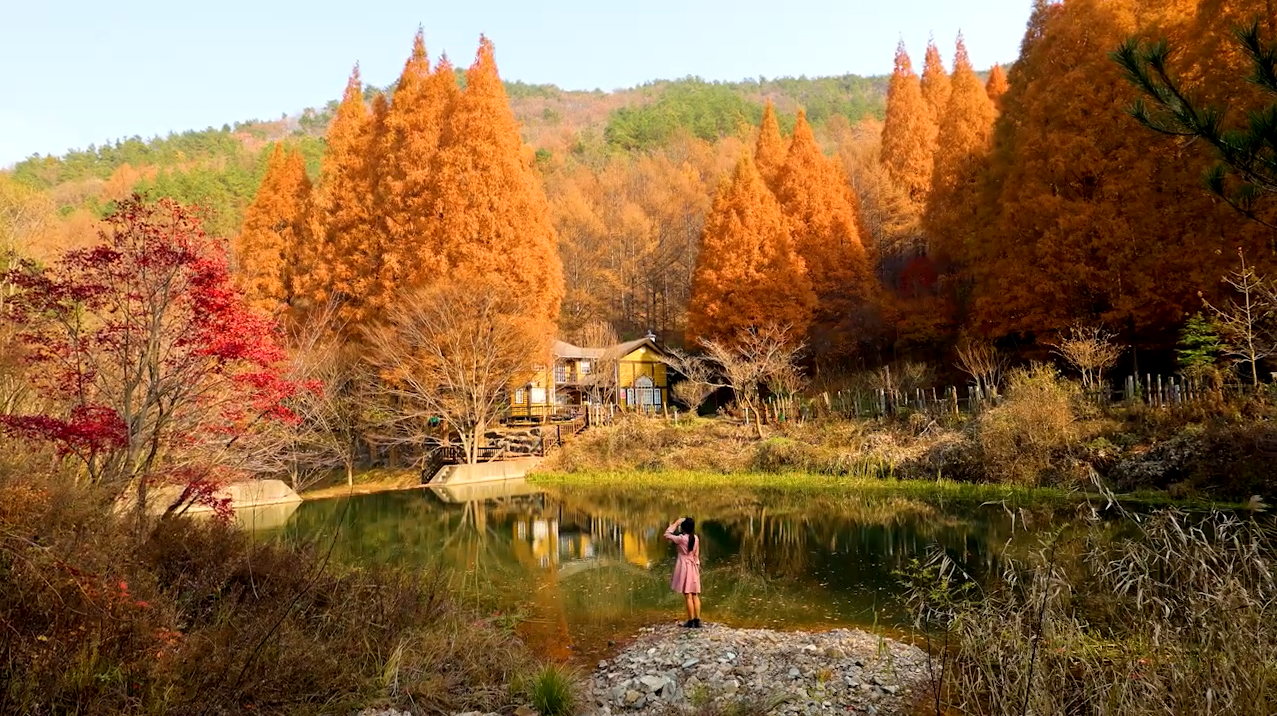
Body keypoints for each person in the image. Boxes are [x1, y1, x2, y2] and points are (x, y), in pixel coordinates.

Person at [664, 516, 702, 628]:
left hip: (684, 568)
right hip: (693, 566)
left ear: (683, 528)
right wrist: (697, 567)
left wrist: (675, 523)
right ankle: (697, 620)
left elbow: (667, 534)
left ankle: (690, 621)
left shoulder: (681, 538)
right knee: (695, 594)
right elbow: (696, 556)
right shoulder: (695, 538)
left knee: (687, 595)